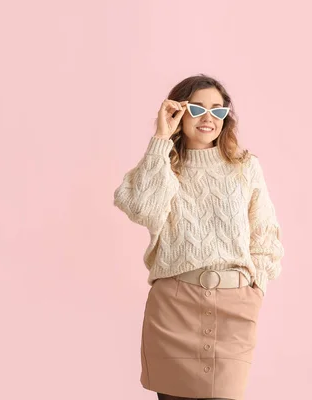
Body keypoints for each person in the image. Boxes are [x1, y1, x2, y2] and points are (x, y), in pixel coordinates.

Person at [113, 74, 285, 400]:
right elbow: (140, 208)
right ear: (179, 111)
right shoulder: (163, 165)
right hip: (173, 308)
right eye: (198, 108)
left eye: (218, 111)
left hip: (235, 308)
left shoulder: (245, 166)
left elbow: (265, 234)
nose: (209, 118)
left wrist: (254, 290)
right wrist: (161, 137)